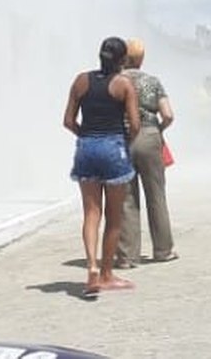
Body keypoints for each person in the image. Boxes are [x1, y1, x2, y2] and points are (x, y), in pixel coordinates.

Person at [63, 37, 141, 297]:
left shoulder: (81, 80)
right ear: (122, 61)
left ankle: (92, 269)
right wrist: (121, 142)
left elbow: (68, 121)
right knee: (114, 216)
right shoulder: (123, 84)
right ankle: (107, 274)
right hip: (113, 147)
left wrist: (86, 136)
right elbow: (135, 124)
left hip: (86, 147)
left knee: (91, 214)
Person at [115, 38, 178, 268]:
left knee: (126, 199)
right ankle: (163, 250)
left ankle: (127, 256)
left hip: (122, 138)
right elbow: (169, 114)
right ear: (142, 59)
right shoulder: (153, 82)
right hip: (150, 136)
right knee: (156, 195)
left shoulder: (116, 81)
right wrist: (157, 131)